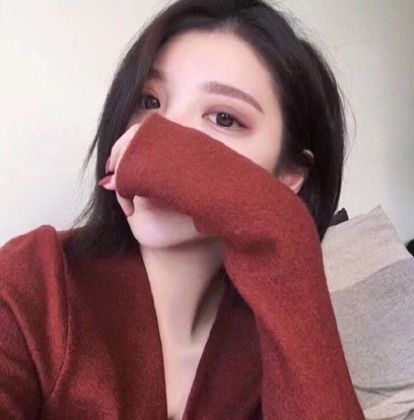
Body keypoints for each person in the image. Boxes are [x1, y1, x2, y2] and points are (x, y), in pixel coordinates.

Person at [0, 0, 365, 418]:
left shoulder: (271, 339)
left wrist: (287, 235)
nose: (159, 139)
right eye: (149, 101)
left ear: (287, 176)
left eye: (224, 118)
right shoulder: (35, 280)